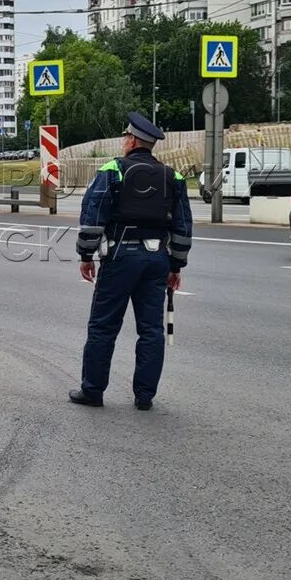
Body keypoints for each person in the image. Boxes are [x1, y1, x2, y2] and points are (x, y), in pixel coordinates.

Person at [69, 112, 193, 411]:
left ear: (132, 140)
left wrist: (86, 255)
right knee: (151, 330)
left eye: (126, 136)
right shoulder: (172, 176)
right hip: (157, 260)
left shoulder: (113, 169)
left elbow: (93, 215)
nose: (124, 141)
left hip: (121, 257)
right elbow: (183, 226)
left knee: (103, 327)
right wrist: (176, 266)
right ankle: (145, 396)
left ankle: (93, 391)